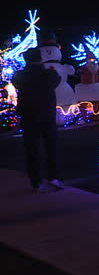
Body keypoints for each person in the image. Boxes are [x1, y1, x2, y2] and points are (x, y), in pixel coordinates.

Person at [12, 48, 62, 192]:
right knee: (51, 147)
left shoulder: (21, 75)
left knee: (32, 149)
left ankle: (36, 181)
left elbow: (16, 83)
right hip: (47, 114)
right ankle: (53, 177)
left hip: (29, 115)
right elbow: (56, 80)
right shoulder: (48, 73)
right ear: (40, 58)